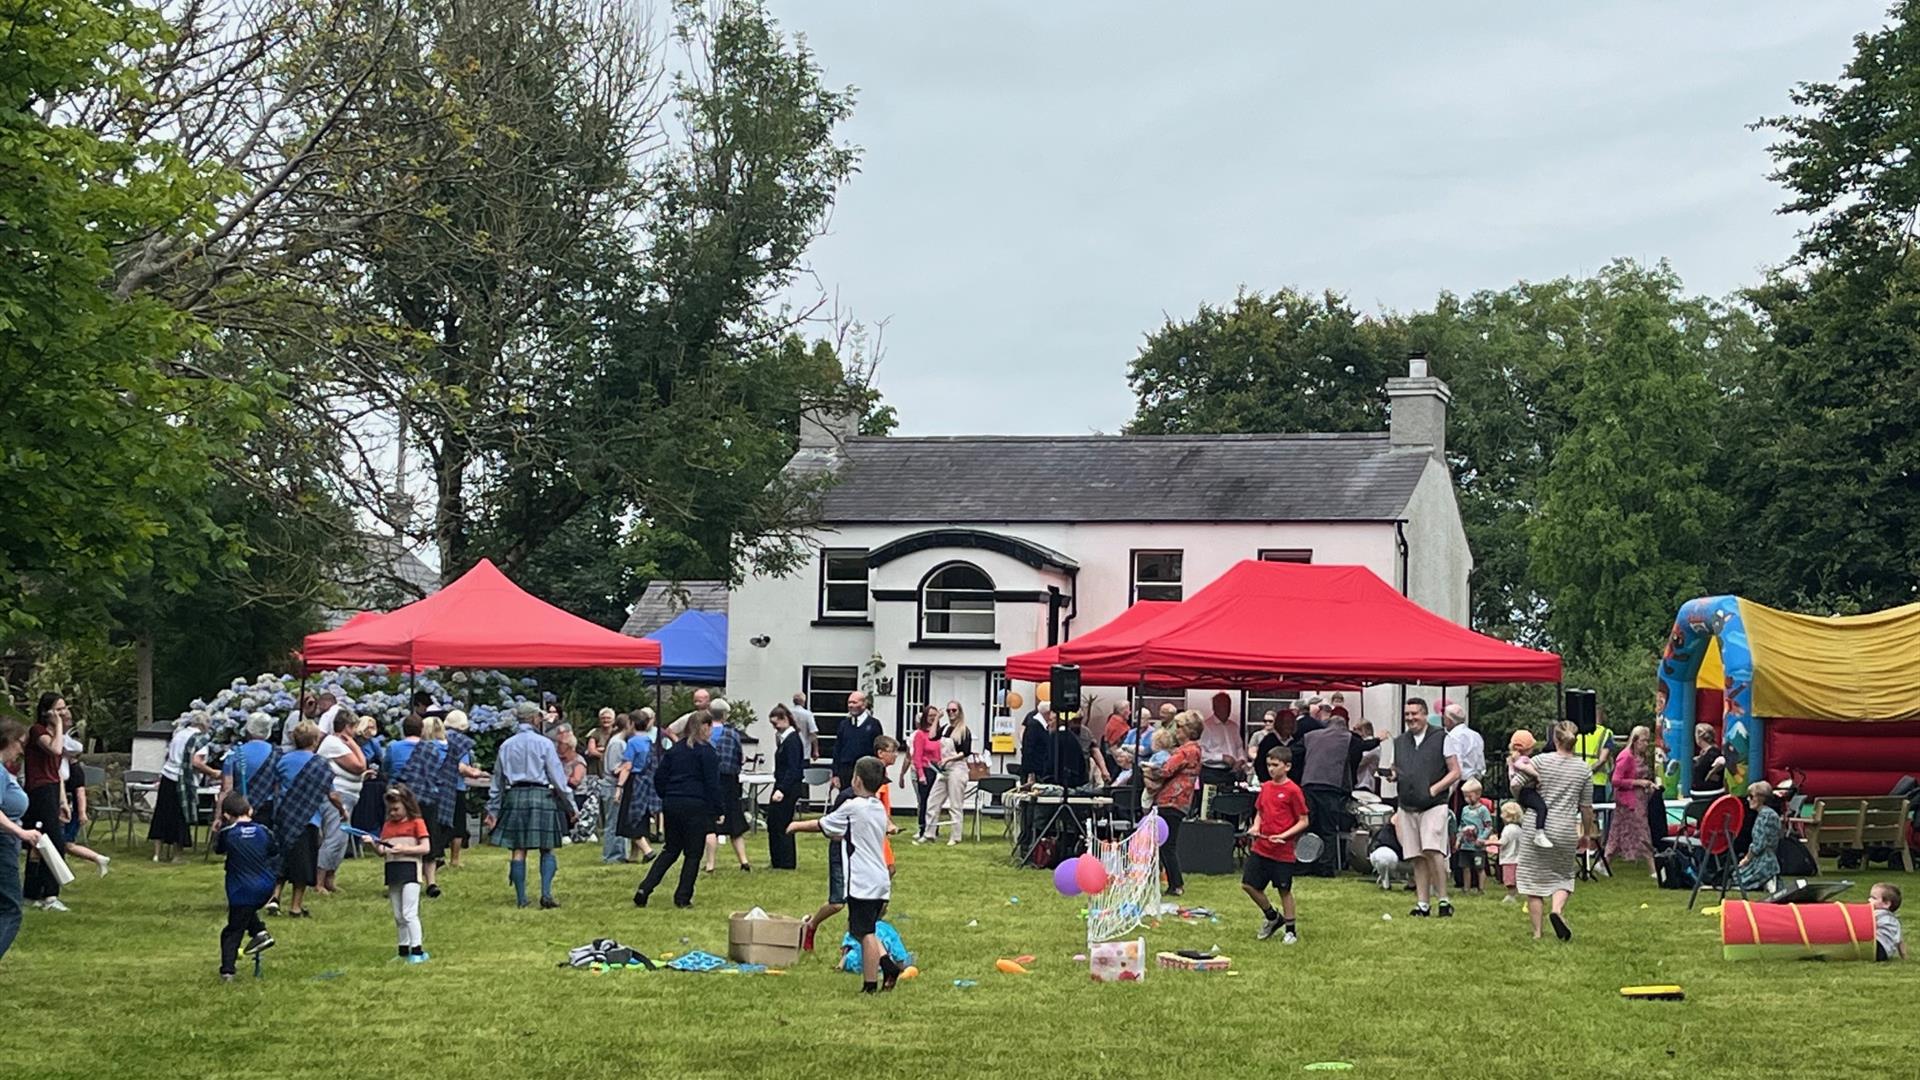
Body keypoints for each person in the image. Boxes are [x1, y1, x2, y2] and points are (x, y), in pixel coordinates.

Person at [788, 756, 904, 993]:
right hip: (880, 880)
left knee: (866, 933)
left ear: (856, 781)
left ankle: (870, 985)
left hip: (862, 882)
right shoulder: (879, 809)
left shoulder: (852, 807)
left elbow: (823, 824)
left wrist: (795, 826)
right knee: (861, 930)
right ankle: (887, 965)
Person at [484, 702, 578, 908]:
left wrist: (492, 810)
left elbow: (497, 781)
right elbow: (558, 778)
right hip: (541, 795)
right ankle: (546, 894)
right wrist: (571, 806)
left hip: (515, 796)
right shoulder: (544, 744)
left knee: (518, 848)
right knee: (547, 848)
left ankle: (521, 899)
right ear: (534, 718)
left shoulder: (506, 745)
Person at [1514, 721, 1597, 941]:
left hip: (1536, 827)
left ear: (1555, 740)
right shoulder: (1583, 768)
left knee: (1533, 882)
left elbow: (1517, 783)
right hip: (1564, 829)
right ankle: (1557, 910)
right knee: (1564, 877)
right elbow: (1586, 807)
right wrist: (1586, 834)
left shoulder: (1540, 761)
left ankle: (1537, 933)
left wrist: (1522, 799)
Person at [632, 708, 723, 909]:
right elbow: (712, 784)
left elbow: (659, 777)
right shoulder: (707, 752)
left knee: (670, 849)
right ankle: (682, 897)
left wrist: (668, 795)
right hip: (695, 805)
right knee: (692, 853)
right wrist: (718, 810)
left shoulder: (675, 750)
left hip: (672, 803)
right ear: (706, 727)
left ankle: (645, 887)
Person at [1381, 697, 1460, 918]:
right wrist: (1392, 776)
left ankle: (1444, 900)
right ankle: (1422, 904)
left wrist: (1435, 789)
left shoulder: (1442, 738)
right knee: (1416, 854)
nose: (1410, 718)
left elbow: (1455, 771)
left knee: (1433, 849)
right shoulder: (1400, 741)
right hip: (1407, 804)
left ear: (1425, 714)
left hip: (1434, 804)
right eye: (1407, 714)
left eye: (1415, 714)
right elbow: (1397, 768)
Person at [274, 723, 345, 918]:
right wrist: (342, 810)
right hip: (308, 819)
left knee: (282, 856)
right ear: (315, 741)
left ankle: (274, 897)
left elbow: (276, 786)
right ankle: (296, 906)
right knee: (303, 864)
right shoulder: (320, 764)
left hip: (284, 815)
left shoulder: (283, 760)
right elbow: (332, 795)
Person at [1243, 746, 1309, 943]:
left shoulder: (1293, 791)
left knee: (1284, 890)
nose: (1271, 769)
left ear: (1287, 766)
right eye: (1268, 765)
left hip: (1283, 851)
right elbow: (1260, 812)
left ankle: (1291, 930)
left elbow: (1303, 820)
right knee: (1248, 885)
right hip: (1262, 848)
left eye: (1275, 765)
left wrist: (1284, 835)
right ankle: (1272, 916)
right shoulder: (1266, 788)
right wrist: (1256, 827)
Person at [1298, 713, 1375, 877]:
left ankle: (1305, 863)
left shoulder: (1310, 736)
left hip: (1309, 785)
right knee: (1328, 828)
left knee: (1309, 826)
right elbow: (1364, 746)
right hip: (1331, 787)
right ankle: (1326, 867)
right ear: (1344, 725)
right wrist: (1379, 739)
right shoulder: (1347, 738)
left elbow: (1293, 751)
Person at [211, 791, 277, 981]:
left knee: (232, 931)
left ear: (226, 816)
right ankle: (260, 932)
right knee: (246, 913)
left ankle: (227, 970)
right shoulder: (264, 831)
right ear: (250, 810)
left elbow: (219, 849)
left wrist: (220, 828)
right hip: (266, 887)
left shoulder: (228, 833)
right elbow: (273, 850)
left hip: (241, 888)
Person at [1, 718, 47, 963]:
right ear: (7, 740)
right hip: (2, 842)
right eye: (20, 743)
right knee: (11, 910)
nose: (21, 750)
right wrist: (20, 832)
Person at [386, 713, 447, 898]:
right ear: (422, 730)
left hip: (402, 798)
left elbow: (386, 768)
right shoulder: (432, 749)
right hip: (428, 798)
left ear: (403, 729)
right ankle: (431, 881)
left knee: (400, 837)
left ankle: (399, 879)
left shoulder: (393, 748)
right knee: (427, 837)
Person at [150, 710, 217, 865]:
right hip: (183, 780)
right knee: (181, 817)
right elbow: (196, 762)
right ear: (204, 725)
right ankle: (177, 856)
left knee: (162, 814)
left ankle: (156, 854)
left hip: (167, 776)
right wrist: (213, 773)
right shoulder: (200, 740)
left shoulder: (178, 734)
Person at [1147, 712, 1203, 897]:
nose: (1176, 731)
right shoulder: (1196, 749)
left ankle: (1176, 884)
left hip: (1172, 800)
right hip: (1180, 801)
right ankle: (1173, 883)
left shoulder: (1186, 751)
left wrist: (1148, 770)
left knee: (1166, 844)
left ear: (1188, 730)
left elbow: (1166, 769)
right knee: (1166, 844)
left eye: (1179, 727)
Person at [376, 783, 432, 964]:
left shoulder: (417, 823)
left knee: (409, 913)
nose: (392, 813)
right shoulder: (387, 826)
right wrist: (373, 843)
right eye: (390, 810)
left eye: (396, 809)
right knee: (398, 915)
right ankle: (403, 950)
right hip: (393, 871)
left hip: (410, 872)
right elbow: (382, 850)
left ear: (407, 806)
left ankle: (417, 950)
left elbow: (425, 848)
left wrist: (405, 849)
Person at [315, 712, 366, 894]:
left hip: (349, 796)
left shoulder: (340, 744)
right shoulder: (333, 743)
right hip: (337, 797)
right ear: (346, 727)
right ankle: (318, 882)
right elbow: (359, 766)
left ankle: (330, 878)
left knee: (342, 839)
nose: (355, 732)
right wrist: (354, 745)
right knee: (334, 837)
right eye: (353, 728)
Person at [701, 700, 751, 874]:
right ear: (724, 715)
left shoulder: (706, 733)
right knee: (735, 824)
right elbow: (740, 758)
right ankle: (744, 861)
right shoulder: (733, 733)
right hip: (730, 782)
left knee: (711, 826)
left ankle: (710, 864)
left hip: (711, 781)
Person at [1605, 725, 1660, 879]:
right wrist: (1638, 783)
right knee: (1643, 832)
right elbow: (1616, 780)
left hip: (1639, 799)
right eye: (1643, 740)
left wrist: (1648, 784)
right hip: (1629, 802)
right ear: (1635, 740)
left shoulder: (1640, 757)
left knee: (1617, 834)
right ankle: (1652, 869)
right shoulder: (1626, 757)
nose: (1646, 744)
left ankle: (1604, 862)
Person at [56, 724, 110, 878]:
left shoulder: (75, 771)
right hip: (69, 808)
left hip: (71, 809)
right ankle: (97, 859)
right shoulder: (69, 769)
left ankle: (97, 858)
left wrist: (81, 812)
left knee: (67, 844)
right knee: (66, 844)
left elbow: (80, 793)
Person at [433, 713, 485, 869]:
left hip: (437, 786)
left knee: (438, 823)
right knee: (458, 826)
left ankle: (437, 854)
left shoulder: (437, 738)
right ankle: (455, 859)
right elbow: (461, 767)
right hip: (456, 787)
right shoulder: (460, 742)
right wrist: (476, 772)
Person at [918, 702, 972, 845]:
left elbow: (965, 752)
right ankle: (929, 833)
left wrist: (949, 758)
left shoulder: (964, 730)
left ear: (959, 711)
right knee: (932, 801)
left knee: (955, 804)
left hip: (957, 769)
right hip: (944, 770)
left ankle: (955, 836)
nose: (951, 713)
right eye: (948, 710)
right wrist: (937, 718)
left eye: (954, 710)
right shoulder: (946, 728)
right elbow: (932, 736)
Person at [613, 708, 660, 865]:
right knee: (641, 815)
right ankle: (633, 855)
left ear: (631, 723)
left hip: (634, 782)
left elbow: (628, 766)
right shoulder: (650, 741)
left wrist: (619, 787)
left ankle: (647, 851)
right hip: (647, 782)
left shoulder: (632, 742)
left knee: (630, 818)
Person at [767, 705, 806, 869]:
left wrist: (782, 789)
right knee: (774, 822)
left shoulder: (792, 741)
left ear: (785, 719)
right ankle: (777, 860)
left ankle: (786, 861)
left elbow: (793, 768)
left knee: (782, 822)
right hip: (782, 784)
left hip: (787, 787)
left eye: (776, 724)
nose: (775, 728)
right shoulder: (785, 739)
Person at [1733, 781, 1782, 893]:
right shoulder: (1766, 814)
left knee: (1737, 878)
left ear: (1761, 798)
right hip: (1763, 859)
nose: (1748, 799)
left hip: (1764, 862)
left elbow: (1759, 844)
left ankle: (1767, 880)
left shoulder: (1766, 815)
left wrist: (1746, 859)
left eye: (1751, 796)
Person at [830, 691, 881, 792]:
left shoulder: (874, 725)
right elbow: (837, 749)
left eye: (854, 702)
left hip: (866, 771)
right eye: (849, 703)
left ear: (864, 704)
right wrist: (835, 774)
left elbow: (878, 750)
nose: (851, 705)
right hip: (846, 772)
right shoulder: (843, 725)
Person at [600, 712, 633, 863]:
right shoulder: (617, 743)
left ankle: (620, 853)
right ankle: (612, 856)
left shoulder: (619, 742)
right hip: (612, 787)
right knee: (613, 822)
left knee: (618, 821)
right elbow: (614, 768)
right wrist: (628, 766)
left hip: (615, 786)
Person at [1508, 729, 1551, 846]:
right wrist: (1537, 775)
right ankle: (1539, 833)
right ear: (1528, 748)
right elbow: (1522, 767)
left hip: (1524, 792)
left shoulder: (1513, 758)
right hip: (1525, 791)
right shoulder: (1521, 760)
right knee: (1542, 808)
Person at [1198, 692, 1245, 789]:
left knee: (1227, 802)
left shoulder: (1234, 726)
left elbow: (1239, 747)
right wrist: (1221, 757)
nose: (1227, 709)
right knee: (1211, 803)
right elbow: (1201, 754)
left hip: (1231, 773)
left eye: (1229, 706)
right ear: (1215, 707)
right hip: (1212, 773)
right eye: (1224, 706)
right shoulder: (1206, 726)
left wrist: (1240, 759)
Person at [907, 706, 941, 837]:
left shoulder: (939, 734)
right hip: (927, 770)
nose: (932, 718)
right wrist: (920, 774)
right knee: (924, 801)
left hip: (938, 770)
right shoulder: (920, 735)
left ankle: (934, 829)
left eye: (935, 715)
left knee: (935, 802)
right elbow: (917, 756)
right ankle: (922, 829)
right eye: (930, 715)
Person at [1454, 780, 1492, 895]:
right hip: (1465, 845)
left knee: (1479, 867)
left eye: (1469, 796)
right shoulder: (1465, 810)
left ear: (1478, 794)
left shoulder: (1483, 810)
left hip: (1477, 846)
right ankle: (1466, 888)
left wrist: (1482, 838)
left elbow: (1488, 826)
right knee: (1465, 867)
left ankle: (1481, 889)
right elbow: (1462, 825)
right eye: (1465, 796)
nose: (1467, 799)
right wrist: (1458, 839)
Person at [1572, 709, 1616, 807]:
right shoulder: (1606, 733)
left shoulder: (1577, 732)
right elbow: (1603, 759)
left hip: (1577, 779)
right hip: (1598, 781)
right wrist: (1589, 771)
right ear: (1602, 717)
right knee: (1597, 812)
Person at [1441, 703, 1485, 790]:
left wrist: (1451, 789)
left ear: (1449, 720)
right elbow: (1481, 761)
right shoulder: (1476, 735)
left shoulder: (1452, 737)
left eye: (1444, 718)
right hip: (1476, 781)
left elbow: (1457, 764)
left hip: (1461, 783)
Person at [1020, 700, 1054, 785]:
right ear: (1047, 713)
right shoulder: (1034, 726)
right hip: (1036, 770)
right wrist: (1031, 772)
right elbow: (1028, 749)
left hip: (1039, 768)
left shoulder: (1040, 725)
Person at [1495, 801, 1523, 903]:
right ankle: (1515, 894)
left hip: (1509, 858)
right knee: (1515, 878)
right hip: (1518, 858)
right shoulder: (1519, 829)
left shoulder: (1507, 829)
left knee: (1509, 879)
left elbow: (1502, 842)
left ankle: (1511, 895)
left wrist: (1487, 843)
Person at [1871, 882, 1906, 962]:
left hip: (1878, 948)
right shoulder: (1895, 921)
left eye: (1873, 898)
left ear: (1886, 904)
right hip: (1886, 953)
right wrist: (1904, 957)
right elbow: (1900, 941)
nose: (1869, 900)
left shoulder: (1877, 914)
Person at [1691, 723, 1727, 798]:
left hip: (1708, 793)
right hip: (1704, 792)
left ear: (1699, 738)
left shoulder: (1712, 754)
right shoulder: (1707, 753)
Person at [1248, 711, 1284, 784]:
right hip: (1258, 771)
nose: (1267, 723)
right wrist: (1262, 758)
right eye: (1265, 721)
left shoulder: (1280, 736)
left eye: (1270, 721)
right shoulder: (1257, 735)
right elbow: (1251, 752)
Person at [584, 708, 616, 777]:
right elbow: (591, 750)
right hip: (595, 769)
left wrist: (600, 750)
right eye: (603, 718)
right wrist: (605, 755)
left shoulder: (616, 733)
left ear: (613, 720)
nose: (606, 720)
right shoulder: (595, 732)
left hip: (612, 769)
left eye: (608, 718)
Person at [789, 692, 819, 759]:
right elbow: (813, 732)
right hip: (804, 751)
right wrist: (815, 750)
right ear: (803, 701)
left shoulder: (788, 713)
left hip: (790, 751)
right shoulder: (808, 714)